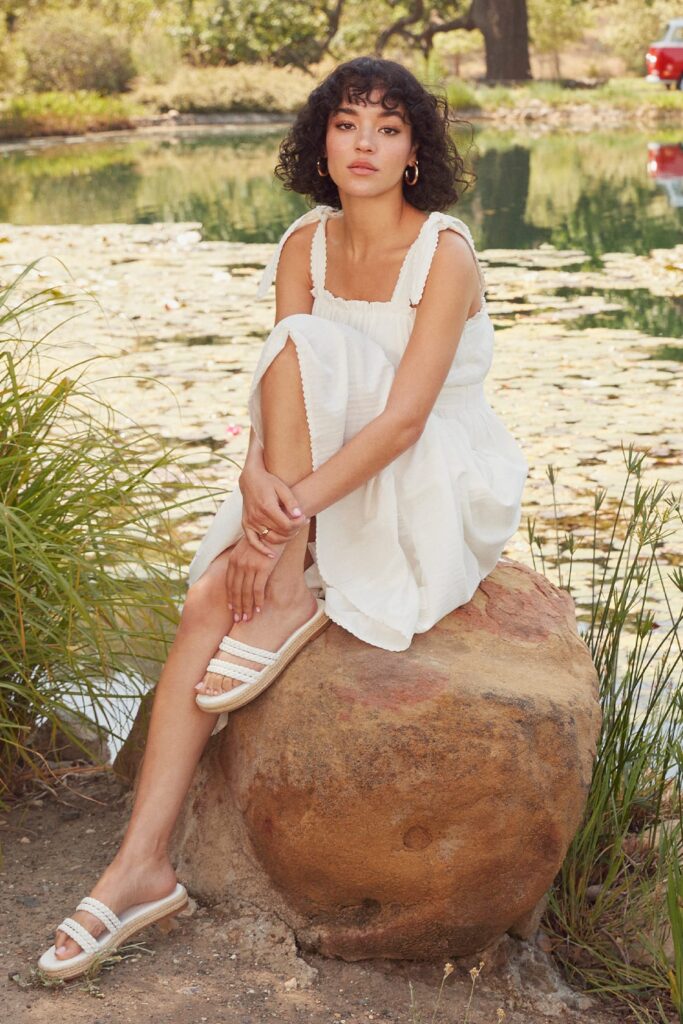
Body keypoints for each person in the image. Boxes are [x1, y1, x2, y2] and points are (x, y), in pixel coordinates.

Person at [38, 54, 529, 978]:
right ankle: (139, 867)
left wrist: (287, 506)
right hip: (316, 470)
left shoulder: (445, 252)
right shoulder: (305, 242)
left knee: (258, 542)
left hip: (424, 473)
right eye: (347, 125)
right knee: (208, 599)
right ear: (321, 139)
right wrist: (257, 473)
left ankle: (286, 592)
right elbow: (287, 379)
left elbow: (405, 420)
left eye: (387, 128)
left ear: (415, 150)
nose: (364, 145)